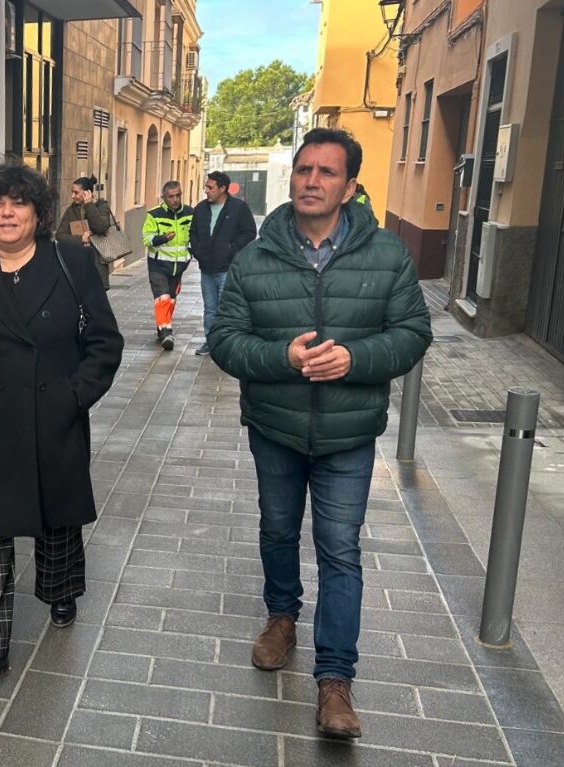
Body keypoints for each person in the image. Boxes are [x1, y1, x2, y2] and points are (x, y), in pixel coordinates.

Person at [208, 128, 432, 739]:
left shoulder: (386, 254)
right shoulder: (255, 256)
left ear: (349, 186)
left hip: (347, 435)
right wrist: (281, 357)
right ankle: (282, 618)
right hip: (275, 427)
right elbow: (224, 340)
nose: (311, 181)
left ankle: (335, 680)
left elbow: (413, 333)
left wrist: (355, 359)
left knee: (340, 549)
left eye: (326, 172)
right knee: (278, 530)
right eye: (304, 169)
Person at [0, 161, 123, 703]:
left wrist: (71, 396)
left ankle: (60, 589)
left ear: (38, 213)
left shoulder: (72, 262)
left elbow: (106, 343)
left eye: (19, 203)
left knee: (57, 519)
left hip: (55, 418)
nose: (8, 213)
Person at [189, 171, 257, 356]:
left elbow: (249, 232)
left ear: (222, 189)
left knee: (225, 308)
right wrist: (198, 250)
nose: (206, 191)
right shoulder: (201, 208)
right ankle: (210, 343)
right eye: (206, 187)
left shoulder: (238, 208)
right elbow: (193, 232)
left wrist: (231, 250)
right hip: (206, 268)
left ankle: (226, 343)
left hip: (227, 268)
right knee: (210, 308)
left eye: (210, 187)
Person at [142, 180, 193, 350]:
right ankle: (166, 332)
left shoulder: (190, 213)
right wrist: (162, 238)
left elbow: (195, 235)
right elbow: (147, 238)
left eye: (178, 195)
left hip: (179, 266)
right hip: (158, 265)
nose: (175, 199)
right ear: (163, 197)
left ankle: (162, 326)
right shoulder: (154, 214)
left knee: (171, 299)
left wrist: (191, 253)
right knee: (162, 297)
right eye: (171, 196)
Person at [54, 175, 114, 290]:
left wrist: (89, 204)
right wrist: (80, 238)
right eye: (72, 192)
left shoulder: (102, 206)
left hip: (96, 266)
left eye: (76, 193)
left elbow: (100, 227)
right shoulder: (71, 210)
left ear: (87, 193)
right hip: (75, 266)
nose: (72, 196)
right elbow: (60, 235)